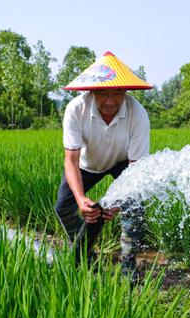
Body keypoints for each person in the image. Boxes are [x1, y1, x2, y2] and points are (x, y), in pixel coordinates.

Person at [55, 51, 152, 276]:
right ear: (91, 91)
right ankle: (86, 254)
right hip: (87, 164)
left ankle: (129, 263)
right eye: (103, 92)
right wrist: (81, 199)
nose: (111, 100)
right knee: (63, 206)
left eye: (117, 92)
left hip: (123, 164)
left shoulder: (138, 114)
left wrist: (116, 203)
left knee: (135, 206)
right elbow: (71, 159)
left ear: (126, 91)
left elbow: (138, 169)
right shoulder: (75, 110)